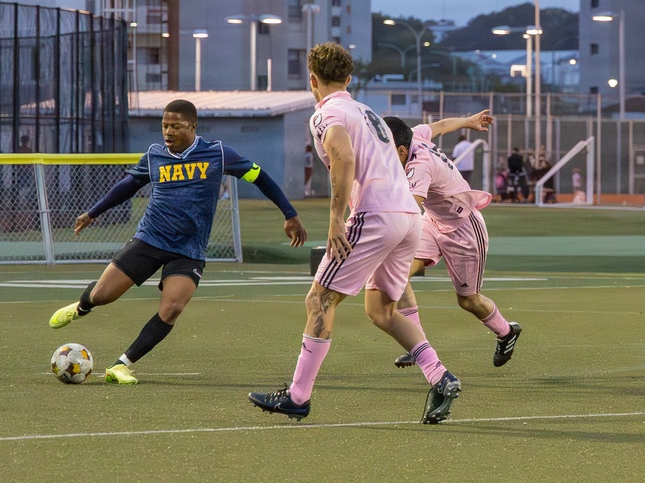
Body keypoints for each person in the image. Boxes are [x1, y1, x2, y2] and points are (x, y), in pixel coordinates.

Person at [248, 42, 461, 424]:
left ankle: (297, 396)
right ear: (349, 79)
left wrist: (334, 218)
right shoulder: (368, 113)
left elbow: (342, 157)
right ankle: (440, 377)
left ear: (312, 80)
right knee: (382, 310)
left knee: (319, 301)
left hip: (376, 216)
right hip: (409, 218)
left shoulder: (327, 113)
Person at [49, 99, 307, 385]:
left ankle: (121, 366)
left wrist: (290, 214)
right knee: (102, 296)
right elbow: (128, 186)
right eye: (164, 126)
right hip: (150, 239)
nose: (168, 132)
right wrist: (93, 212)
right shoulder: (155, 154)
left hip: (189, 250)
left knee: (172, 308)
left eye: (175, 126)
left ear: (193, 126)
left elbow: (261, 178)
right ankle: (81, 308)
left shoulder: (218, 153)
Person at [382, 112, 523, 370]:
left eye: (386, 151)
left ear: (402, 149)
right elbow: (439, 126)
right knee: (396, 274)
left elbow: (409, 211)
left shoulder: (418, 165)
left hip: (463, 229)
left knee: (468, 300)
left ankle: (506, 332)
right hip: (433, 222)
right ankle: (417, 345)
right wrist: (468, 121)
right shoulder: (412, 136)